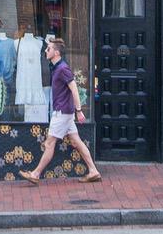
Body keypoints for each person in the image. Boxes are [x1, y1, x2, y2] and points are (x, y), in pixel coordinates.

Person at [19, 36, 101, 185]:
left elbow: (74, 89)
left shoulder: (63, 69)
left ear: (56, 53)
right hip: (65, 112)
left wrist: (79, 110)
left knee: (50, 143)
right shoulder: (57, 67)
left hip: (62, 113)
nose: (46, 50)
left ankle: (36, 174)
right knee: (76, 142)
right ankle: (93, 171)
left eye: (48, 49)